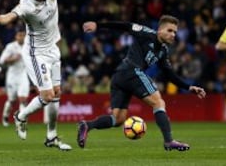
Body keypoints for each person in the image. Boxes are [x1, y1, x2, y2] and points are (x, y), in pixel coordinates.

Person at [77, 15, 206, 151]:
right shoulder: (146, 33)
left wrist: (188, 87)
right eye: (170, 30)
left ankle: (87, 125)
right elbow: (126, 25)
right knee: (158, 103)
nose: (173, 35)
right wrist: (98, 25)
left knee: (118, 119)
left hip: (120, 76)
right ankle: (169, 141)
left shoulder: (163, 51)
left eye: (175, 32)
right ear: (160, 30)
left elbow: (169, 74)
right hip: (131, 71)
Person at [0, 0, 72, 151]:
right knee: (48, 95)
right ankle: (20, 116)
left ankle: (51, 137)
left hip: (53, 50)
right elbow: (10, 16)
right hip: (36, 53)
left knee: (57, 93)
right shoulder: (26, 5)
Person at [0, 28, 30, 127]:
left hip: (23, 75)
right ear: (16, 36)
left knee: (23, 99)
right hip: (12, 76)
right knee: (11, 100)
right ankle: (5, 116)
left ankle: (21, 121)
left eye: (23, 35)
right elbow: (1, 61)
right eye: (19, 35)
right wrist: (13, 59)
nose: (21, 37)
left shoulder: (28, 46)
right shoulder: (10, 47)